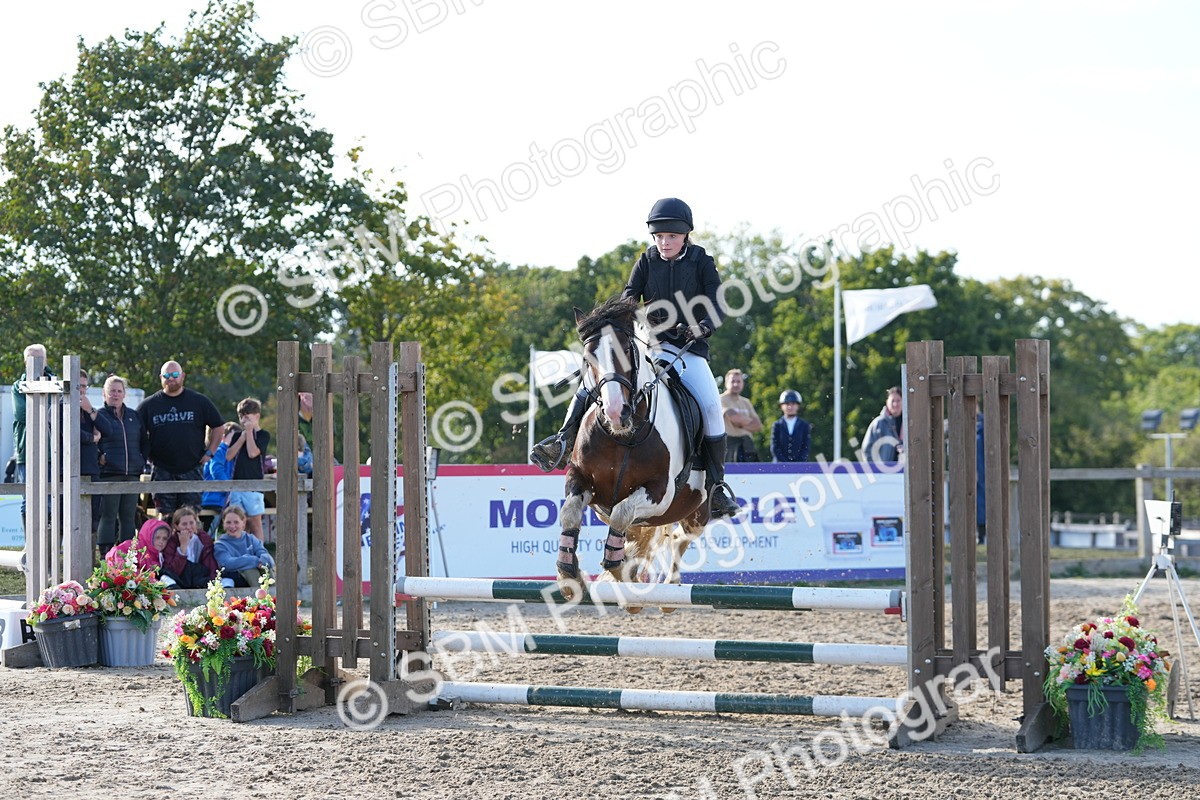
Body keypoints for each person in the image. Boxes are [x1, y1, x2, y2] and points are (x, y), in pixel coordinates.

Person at [529, 197, 740, 517]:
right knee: (593, 383)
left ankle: (716, 485)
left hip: (688, 350)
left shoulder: (701, 261)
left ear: (685, 235)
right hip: (647, 348)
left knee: (711, 406)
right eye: (659, 237)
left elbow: (717, 302)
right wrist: (638, 321)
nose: (664, 243)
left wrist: (704, 327)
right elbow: (629, 299)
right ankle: (562, 442)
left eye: (671, 236)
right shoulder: (646, 261)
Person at [137, 360, 224, 519]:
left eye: (175, 374)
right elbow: (136, 432)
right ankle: (168, 545)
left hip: (191, 468)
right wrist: (145, 454)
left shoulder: (199, 401)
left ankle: (189, 545)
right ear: (161, 378)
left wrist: (210, 452)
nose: (171, 378)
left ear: (183, 376)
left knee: (190, 519)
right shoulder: (148, 405)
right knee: (165, 519)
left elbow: (218, 427)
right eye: (167, 375)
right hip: (162, 470)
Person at [96, 375, 146, 550]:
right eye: (112, 391)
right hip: (109, 474)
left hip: (132, 474)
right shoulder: (98, 415)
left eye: (119, 391)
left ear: (124, 394)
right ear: (104, 393)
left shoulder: (134, 416)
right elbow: (89, 443)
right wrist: (99, 457)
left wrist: (141, 461)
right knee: (108, 515)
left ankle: (127, 554)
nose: (115, 395)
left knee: (128, 516)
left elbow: (144, 442)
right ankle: (105, 555)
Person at [12, 343, 53, 524]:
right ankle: (29, 545)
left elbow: (60, 412)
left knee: (51, 499)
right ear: (24, 362)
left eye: (39, 358)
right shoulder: (17, 386)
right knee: (28, 499)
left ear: (45, 361)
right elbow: (22, 414)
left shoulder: (56, 383)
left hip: (52, 451)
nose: (35, 363)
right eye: (31, 359)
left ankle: (49, 544)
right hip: (27, 451)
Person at [225, 397, 270, 541]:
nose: (244, 420)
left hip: (254, 486)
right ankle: (238, 551)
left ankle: (259, 554)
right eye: (241, 416)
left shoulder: (263, 435)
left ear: (256, 416)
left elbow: (253, 453)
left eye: (247, 416)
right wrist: (242, 438)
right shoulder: (238, 435)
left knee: (255, 522)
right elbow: (229, 455)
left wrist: (250, 433)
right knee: (237, 522)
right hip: (237, 485)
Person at [78, 369, 110, 538]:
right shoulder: (58, 407)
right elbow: (68, 434)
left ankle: (88, 563)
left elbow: (108, 429)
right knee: (64, 521)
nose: (81, 390)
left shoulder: (89, 410)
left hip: (91, 471)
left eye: (84, 386)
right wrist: (92, 438)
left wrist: (90, 409)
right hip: (68, 473)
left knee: (92, 523)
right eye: (78, 386)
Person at [214, 504, 275, 587]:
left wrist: (263, 560)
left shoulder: (250, 538)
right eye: (228, 522)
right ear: (223, 523)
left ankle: (275, 597)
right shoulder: (220, 544)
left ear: (243, 523)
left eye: (236, 522)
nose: (232, 526)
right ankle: (258, 597)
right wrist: (254, 560)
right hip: (235, 576)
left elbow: (265, 554)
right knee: (250, 569)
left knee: (266, 568)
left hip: (258, 571)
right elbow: (227, 563)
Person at [161, 506, 219, 588]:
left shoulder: (204, 539)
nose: (188, 527)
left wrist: (214, 581)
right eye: (184, 524)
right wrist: (183, 547)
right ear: (176, 526)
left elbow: (211, 564)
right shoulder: (172, 542)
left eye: (191, 523)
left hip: (199, 577)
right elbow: (173, 571)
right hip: (180, 577)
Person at [200, 421, 239, 533]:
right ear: (224, 437)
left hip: (220, 499)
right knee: (208, 531)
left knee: (217, 529)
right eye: (234, 437)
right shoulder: (219, 450)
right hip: (213, 499)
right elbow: (216, 470)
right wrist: (229, 488)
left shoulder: (230, 453)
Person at [720, 369, 763, 462]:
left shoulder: (746, 402)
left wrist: (741, 423)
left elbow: (758, 426)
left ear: (742, 383)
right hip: (730, 447)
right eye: (733, 381)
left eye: (738, 381)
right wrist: (748, 423)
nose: (736, 384)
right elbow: (735, 419)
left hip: (748, 447)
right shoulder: (720, 399)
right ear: (726, 383)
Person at [105, 518, 170, 574]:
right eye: (157, 537)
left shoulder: (161, 556)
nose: (161, 541)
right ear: (148, 536)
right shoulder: (135, 546)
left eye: (164, 538)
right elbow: (116, 552)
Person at [862, 386, 904, 464]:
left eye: (898, 400)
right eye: (893, 401)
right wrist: (875, 469)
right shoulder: (878, 423)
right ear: (887, 402)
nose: (895, 404)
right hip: (884, 473)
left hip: (906, 471)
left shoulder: (910, 423)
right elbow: (867, 449)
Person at [771, 390, 811, 463]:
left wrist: (798, 463)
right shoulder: (777, 425)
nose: (790, 407)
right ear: (781, 406)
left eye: (793, 404)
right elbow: (775, 447)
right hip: (779, 466)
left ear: (798, 405)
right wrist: (784, 462)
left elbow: (806, 447)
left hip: (800, 465)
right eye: (787, 404)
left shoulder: (804, 425)